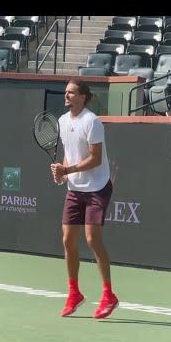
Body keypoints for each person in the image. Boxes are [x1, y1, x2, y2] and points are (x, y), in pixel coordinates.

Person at [51, 80, 118, 319]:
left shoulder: (93, 121)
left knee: (92, 238)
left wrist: (67, 171)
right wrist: (62, 171)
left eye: (71, 92)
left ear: (83, 97)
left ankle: (108, 294)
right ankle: (73, 293)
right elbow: (70, 155)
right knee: (68, 240)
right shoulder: (61, 121)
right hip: (75, 187)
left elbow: (95, 159)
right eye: (66, 92)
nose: (66, 95)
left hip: (98, 187)